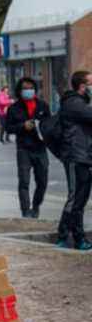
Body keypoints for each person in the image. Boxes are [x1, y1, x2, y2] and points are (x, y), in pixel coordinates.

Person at [6, 77, 51, 219]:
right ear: (20, 91)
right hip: (24, 149)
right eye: (25, 88)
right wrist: (22, 126)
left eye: (31, 88)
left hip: (40, 148)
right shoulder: (14, 108)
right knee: (24, 181)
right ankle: (26, 211)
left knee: (42, 181)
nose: (28, 91)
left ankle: (36, 206)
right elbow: (8, 128)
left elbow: (50, 125)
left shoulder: (43, 106)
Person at [57, 70, 92, 250]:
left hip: (83, 156)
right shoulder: (74, 103)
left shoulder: (80, 103)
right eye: (91, 84)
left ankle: (67, 235)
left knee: (80, 198)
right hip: (75, 156)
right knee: (76, 198)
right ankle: (71, 237)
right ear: (82, 86)